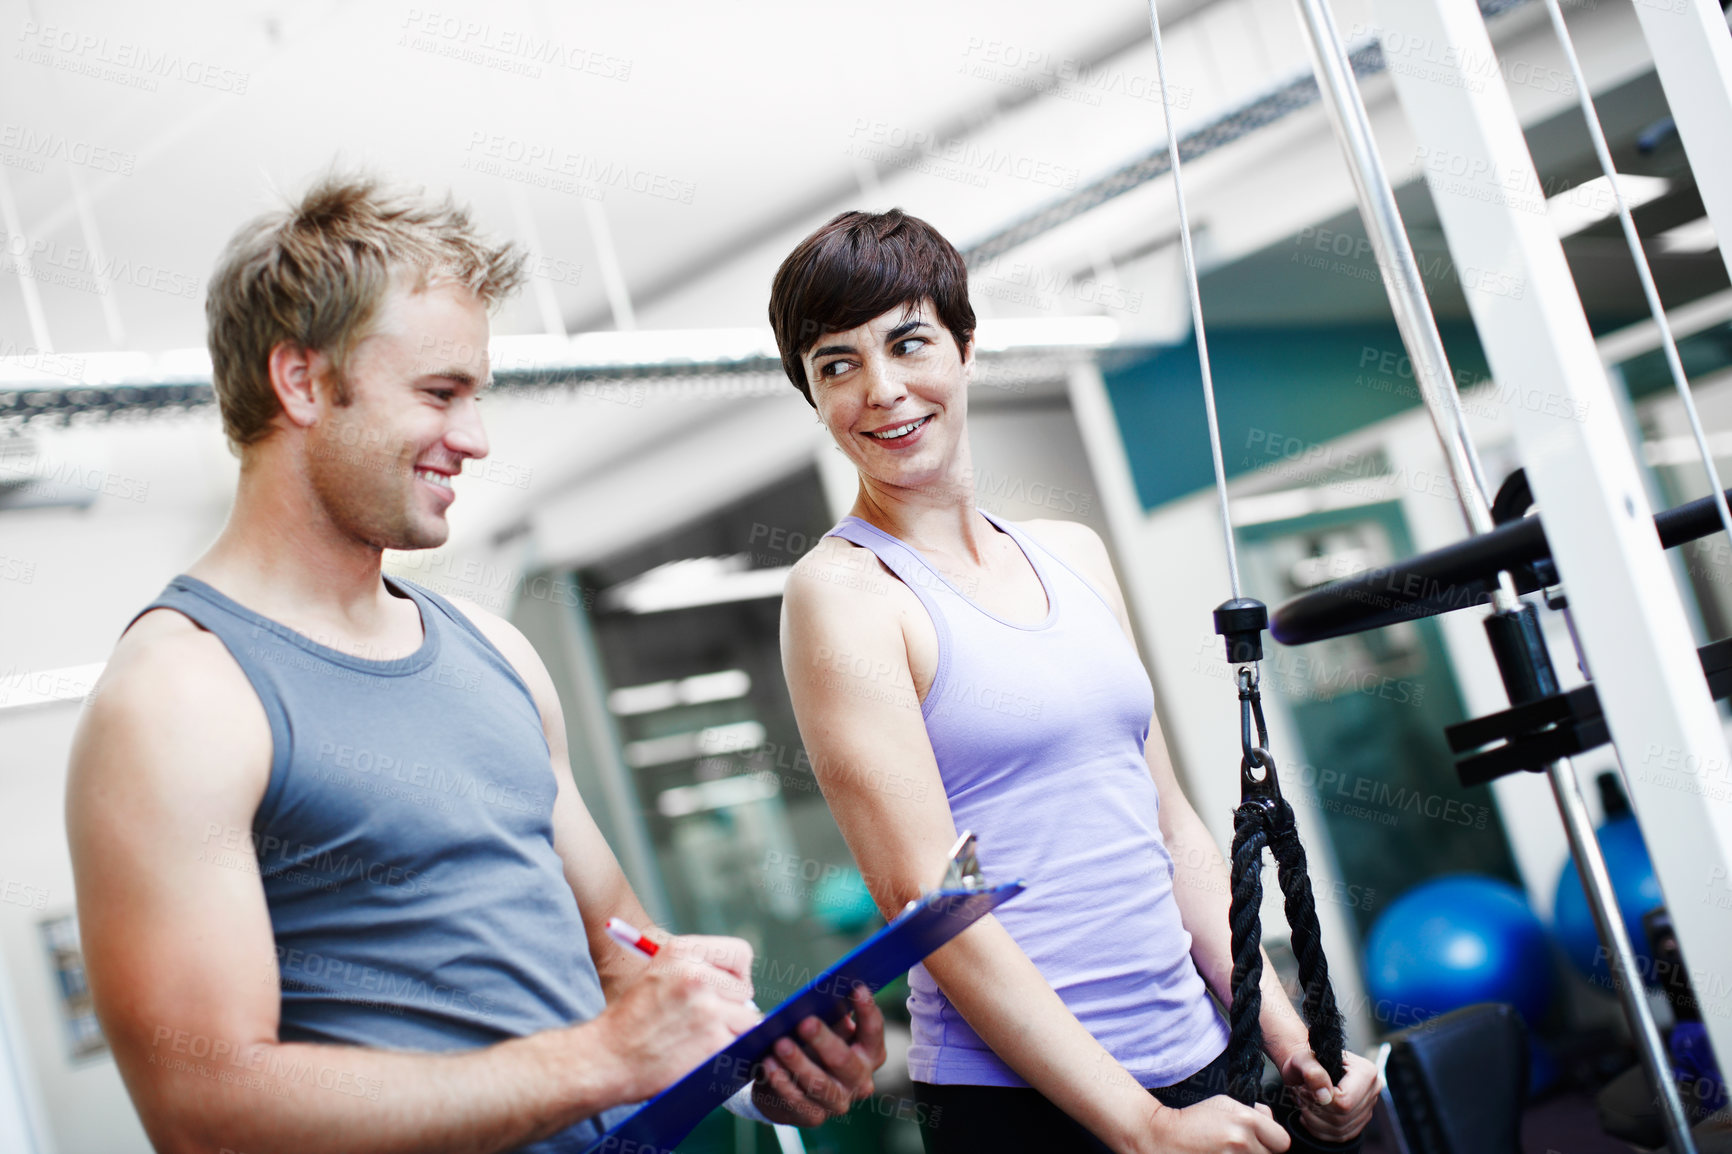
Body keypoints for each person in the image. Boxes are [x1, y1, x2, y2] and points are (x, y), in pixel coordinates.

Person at [65, 174, 885, 1154]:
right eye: (439, 393)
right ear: (299, 382)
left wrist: (747, 1061)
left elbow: (622, 954)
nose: (475, 436)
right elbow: (204, 1108)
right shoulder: (179, 694)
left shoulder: (494, 651)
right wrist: (598, 1060)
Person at [770, 209, 1380, 1154]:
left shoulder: (1074, 555)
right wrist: (1137, 1126)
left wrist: (1291, 1043)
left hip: (1199, 1053)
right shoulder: (843, 595)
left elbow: (1169, 826)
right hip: (1026, 1105)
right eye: (836, 365)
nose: (882, 390)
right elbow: (927, 908)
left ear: (965, 346)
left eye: (908, 342)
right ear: (813, 398)